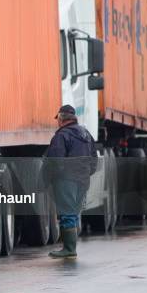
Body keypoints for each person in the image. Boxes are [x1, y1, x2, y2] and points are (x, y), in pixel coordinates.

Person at [44, 105, 97, 259]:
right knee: (73, 212)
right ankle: (69, 248)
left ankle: (69, 249)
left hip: (66, 180)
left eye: (58, 119)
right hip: (82, 180)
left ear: (61, 119)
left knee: (67, 213)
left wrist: (49, 179)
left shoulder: (62, 136)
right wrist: (86, 173)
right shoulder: (86, 135)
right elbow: (94, 159)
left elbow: (55, 161)